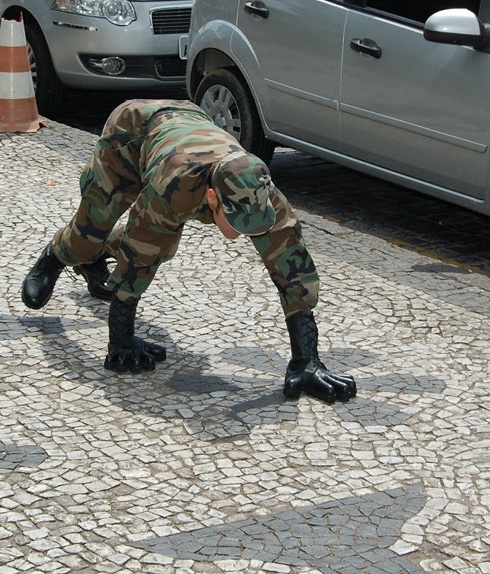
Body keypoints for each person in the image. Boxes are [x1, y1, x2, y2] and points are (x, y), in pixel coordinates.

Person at [21, 99, 357, 404]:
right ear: (212, 199)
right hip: (132, 133)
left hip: (188, 123)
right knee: (93, 233)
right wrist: (121, 340)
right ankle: (54, 258)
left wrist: (307, 360)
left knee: (161, 242)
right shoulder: (174, 187)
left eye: (254, 223)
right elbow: (141, 251)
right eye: (237, 222)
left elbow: (292, 268)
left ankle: (95, 259)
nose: (244, 233)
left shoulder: (261, 195)